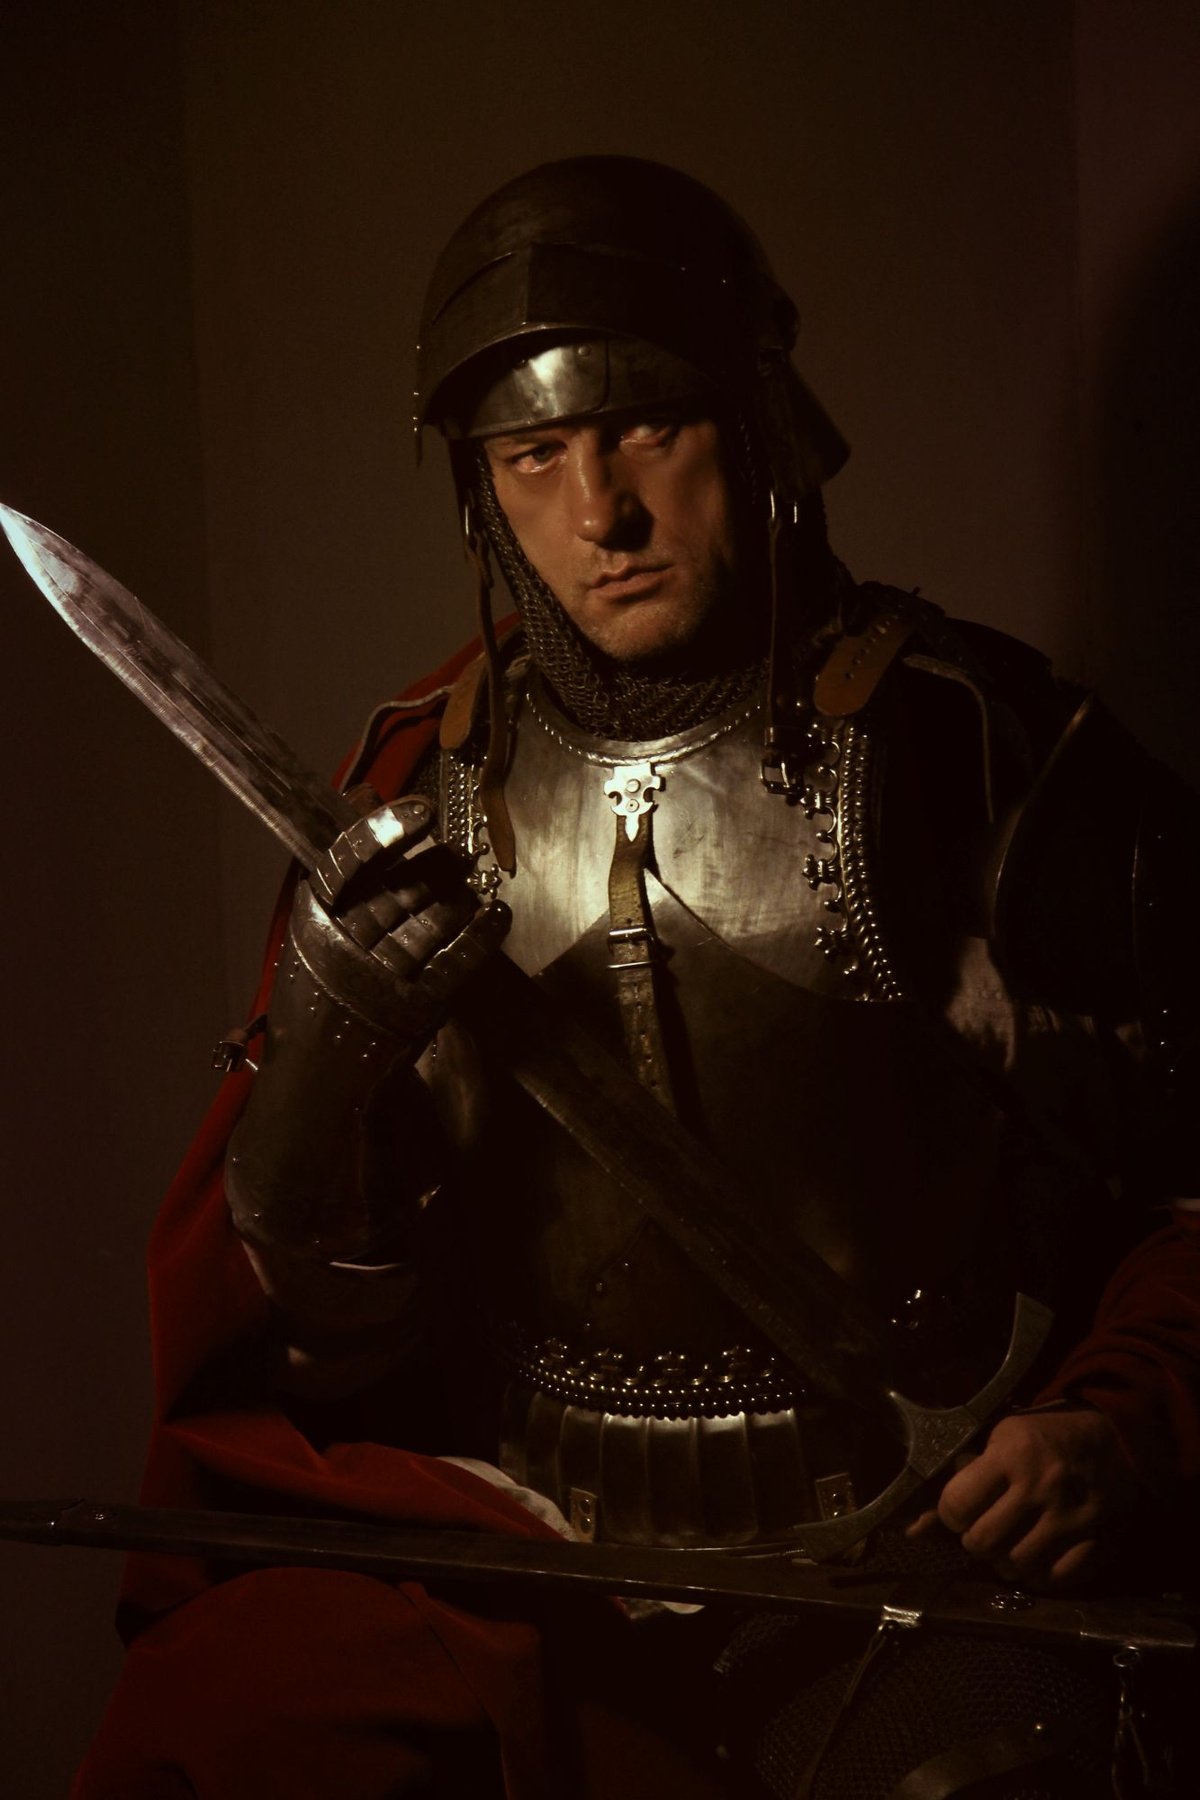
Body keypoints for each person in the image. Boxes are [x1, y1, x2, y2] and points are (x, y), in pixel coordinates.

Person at [75, 157, 1200, 1798]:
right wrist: (322, 1042)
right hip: (541, 1549)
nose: (600, 512)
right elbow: (317, 1323)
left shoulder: (983, 754)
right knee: (237, 1735)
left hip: (911, 1552)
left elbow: (1188, 1191)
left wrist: (1120, 1425)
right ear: (482, 491)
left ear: (760, 421)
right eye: (535, 456)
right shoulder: (424, 783)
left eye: (649, 428)